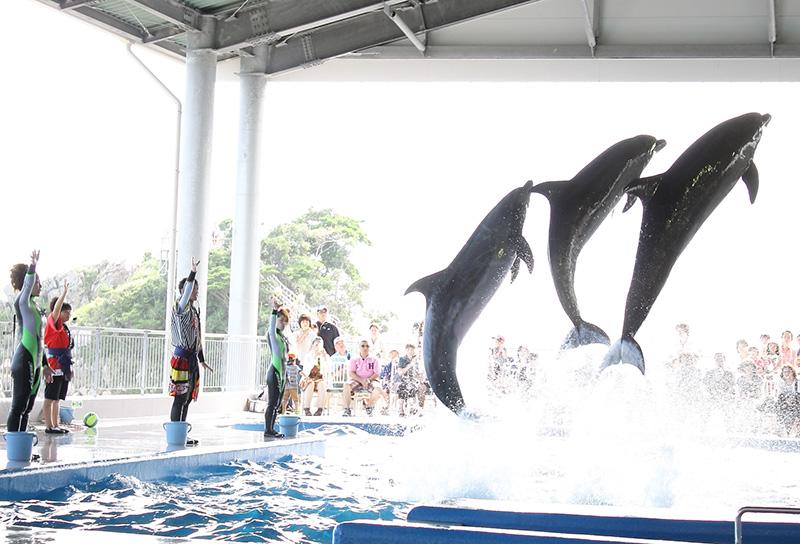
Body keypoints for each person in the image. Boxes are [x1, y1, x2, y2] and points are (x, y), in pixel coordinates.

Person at [7, 251, 53, 432]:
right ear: (29, 281)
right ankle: (13, 447)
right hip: (23, 359)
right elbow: (27, 286)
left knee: (27, 408)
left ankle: (21, 449)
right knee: (19, 406)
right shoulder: (22, 301)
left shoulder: (33, 306)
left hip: (34, 362)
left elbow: (38, 340)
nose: (40, 285)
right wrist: (33, 266)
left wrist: (45, 365)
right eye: (37, 281)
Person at [168, 258, 212, 445]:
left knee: (187, 398)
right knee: (179, 397)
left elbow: (197, 336)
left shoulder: (194, 311)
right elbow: (186, 291)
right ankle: (174, 434)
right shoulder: (181, 307)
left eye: (196, 289)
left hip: (192, 358)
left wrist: (201, 358)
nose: (196, 292)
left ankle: (182, 434)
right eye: (194, 288)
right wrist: (192, 272)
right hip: (181, 359)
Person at [43, 282, 74, 434]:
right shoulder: (53, 322)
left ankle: (55, 424)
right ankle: (49, 426)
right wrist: (64, 293)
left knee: (57, 398)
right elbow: (55, 310)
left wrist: (69, 368)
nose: (68, 315)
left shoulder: (65, 328)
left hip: (63, 366)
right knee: (50, 397)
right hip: (54, 365)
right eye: (65, 312)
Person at [265, 298, 290, 438]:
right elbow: (271, 325)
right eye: (281, 320)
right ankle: (268, 430)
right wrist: (274, 311)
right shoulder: (273, 335)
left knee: (277, 404)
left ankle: (272, 429)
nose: (284, 323)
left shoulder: (282, 337)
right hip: (274, 371)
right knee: (272, 402)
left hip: (281, 373)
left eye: (285, 321)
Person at [341, 340, 381, 416]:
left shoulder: (374, 359)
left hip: (371, 380)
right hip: (357, 380)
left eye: (367, 346)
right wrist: (361, 380)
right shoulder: (354, 359)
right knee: (346, 385)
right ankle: (347, 409)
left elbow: (377, 373)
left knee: (378, 388)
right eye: (363, 346)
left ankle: (369, 407)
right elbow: (351, 373)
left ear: (370, 348)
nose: (365, 348)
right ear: (359, 347)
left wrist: (368, 380)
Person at [301, 343, 327, 416]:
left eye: (319, 346)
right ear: (312, 346)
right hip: (308, 378)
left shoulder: (325, 357)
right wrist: (314, 357)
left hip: (320, 379)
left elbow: (327, 370)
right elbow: (306, 370)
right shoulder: (308, 356)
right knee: (310, 384)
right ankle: (307, 409)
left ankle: (320, 409)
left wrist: (324, 359)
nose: (317, 348)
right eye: (316, 345)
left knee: (321, 384)